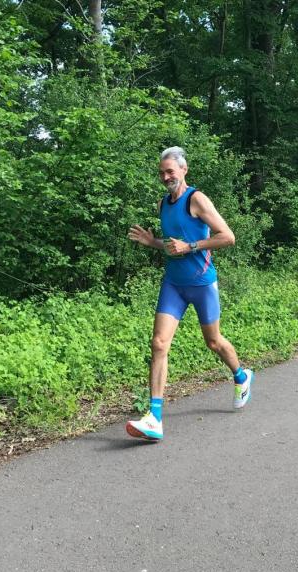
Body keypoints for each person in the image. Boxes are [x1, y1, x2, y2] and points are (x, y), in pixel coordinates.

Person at [124, 146, 254, 441]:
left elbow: (228, 237)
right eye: (161, 172)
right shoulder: (163, 204)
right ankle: (154, 417)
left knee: (213, 342)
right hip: (173, 284)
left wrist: (191, 247)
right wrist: (153, 242)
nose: (165, 177)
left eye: (170, 171)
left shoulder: (196, 199)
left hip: (202, 283)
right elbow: (173, 245)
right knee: (159, 343)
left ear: (184, 170)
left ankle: (241, 375)